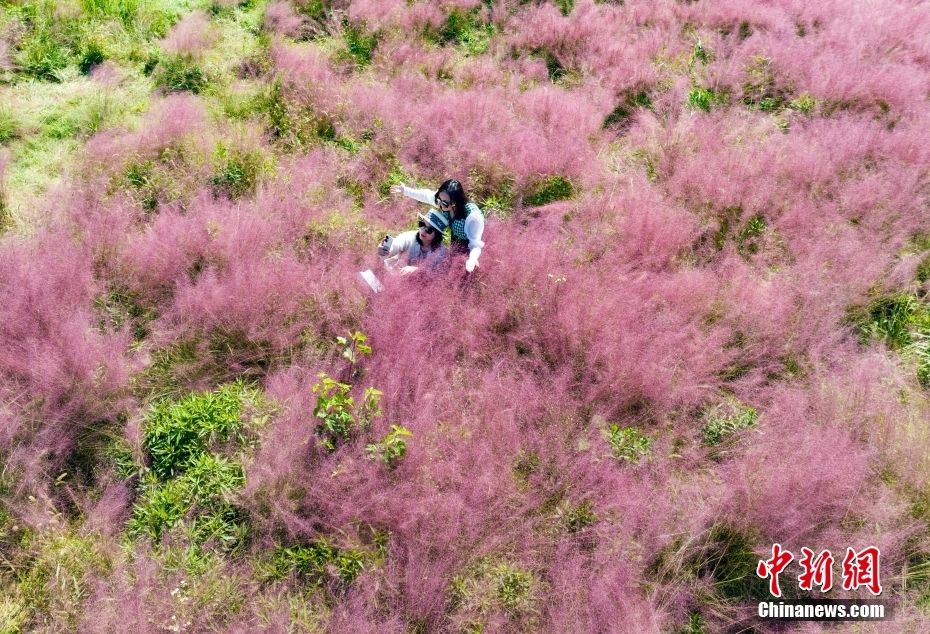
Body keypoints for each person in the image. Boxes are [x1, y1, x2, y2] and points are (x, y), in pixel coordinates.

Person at [389, 179, 485, 272]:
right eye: (439, 200)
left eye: (444, 203)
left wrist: (472, 258)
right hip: (456, 236)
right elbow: (426, 196)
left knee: (465, 267)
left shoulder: (472, 217)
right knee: (452, 260)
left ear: (455, 203)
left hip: (470, 239)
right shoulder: (443, 201)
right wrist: (405, 190)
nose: (441, 205)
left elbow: (475, 243)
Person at [377, 209, 449, 275]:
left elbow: (436, 274)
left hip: (420, 285)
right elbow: (397, 243)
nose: (423, 231)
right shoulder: (410, 236)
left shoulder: (442, 252)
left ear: (437, 235)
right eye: (422, 224)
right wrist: (387, 248)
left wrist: (418, 270)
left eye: (429, 230)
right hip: (395, 275)